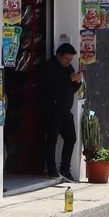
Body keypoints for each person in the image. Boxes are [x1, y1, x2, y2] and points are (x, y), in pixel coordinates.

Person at [39, 40, 83, 180]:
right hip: (52, 109)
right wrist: (70, 79)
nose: (68, 62)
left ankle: (65, 168)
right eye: (66, 59)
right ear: (59, 55)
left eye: (70, 59)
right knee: (51, 140)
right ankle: (51, 169)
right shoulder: (50, 67)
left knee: (71, 138)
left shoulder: (68, 68)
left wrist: (77, 82)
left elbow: (71, 88)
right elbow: (53, 86)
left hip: (65, 110)